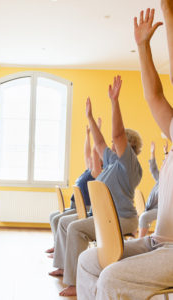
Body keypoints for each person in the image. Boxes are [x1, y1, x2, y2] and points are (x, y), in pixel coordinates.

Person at [76, 7, 173, 299]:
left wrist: (168, 15)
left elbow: (118, 136)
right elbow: (153, 95)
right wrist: (142, 46)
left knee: (113, 278)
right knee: (88, 261)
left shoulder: (130, 162)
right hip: (159, 242)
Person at [52, 75, 142, 297]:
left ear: (128, 148)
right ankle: (66, 268)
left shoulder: (129, 165)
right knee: (70, 225)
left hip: (122, 218)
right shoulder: (112, 162)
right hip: (107, 216)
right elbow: (101, 142)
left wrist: (114, 102)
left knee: (75, 228)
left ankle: (73, 282)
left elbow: (117, 134)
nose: (110, 146)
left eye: (116, 144)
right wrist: (90, 118)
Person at [46, 123, 101, 255]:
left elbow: (94, 150)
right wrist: (88, 134)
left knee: (57, 219)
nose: (90, 159)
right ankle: (58, 247)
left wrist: (96, 130)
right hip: (74, 207)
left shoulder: (96, 172)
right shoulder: (88, 170)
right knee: (53, 216)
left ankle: (60, 251)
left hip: (82, 209)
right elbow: (87, 153)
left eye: (94, 158)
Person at [138, 141, 167, 237]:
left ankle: (140, 240)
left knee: (144, 217)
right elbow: (153, 168)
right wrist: (152, 152)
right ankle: (138, 240)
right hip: (154, 208)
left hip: (164, 210)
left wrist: (166, 154)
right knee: (142, 217)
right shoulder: (160, 179)